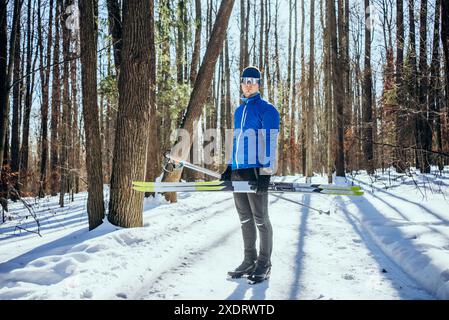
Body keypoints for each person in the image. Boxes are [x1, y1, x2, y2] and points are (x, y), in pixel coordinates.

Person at [220, 66, 280, 284]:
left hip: (255, 171)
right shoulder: (239, 111)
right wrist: (229, 166)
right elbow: (236, 141)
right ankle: (249, 260)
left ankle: (264, 263)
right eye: (245, 80)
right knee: (245, 219)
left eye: (253, 81)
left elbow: (270, 142)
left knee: (261, 219)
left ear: (259, 84)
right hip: (238, 171)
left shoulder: (267, 110)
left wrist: (265, 172)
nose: (248, 84)